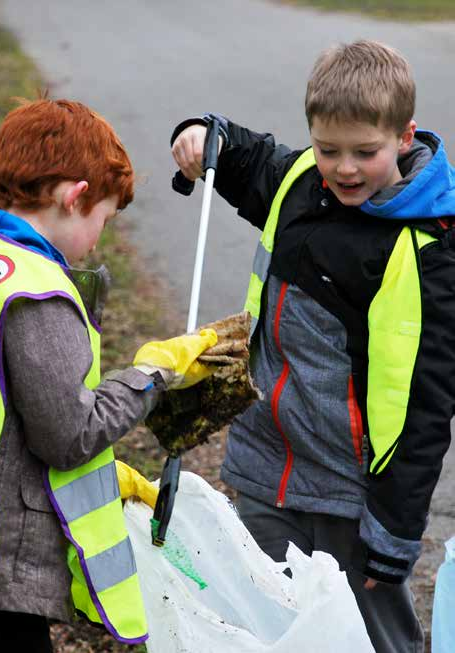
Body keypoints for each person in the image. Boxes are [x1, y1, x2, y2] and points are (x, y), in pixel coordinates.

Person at [171, 39, 455, 653]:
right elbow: (253, 160)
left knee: (372, 634)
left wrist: (396, 527)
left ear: (405, 137)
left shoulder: (426, 250)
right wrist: (202, 134)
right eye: (329, 149)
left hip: (353, 492)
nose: (345, 168)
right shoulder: (303, 179)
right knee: (264, 617)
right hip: (267, 465)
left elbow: (427, 405)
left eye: (365, 152)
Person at [0, 98, 218, 652]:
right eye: (104, 219)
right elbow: (68, 434)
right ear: (75, 197)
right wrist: (152, 372)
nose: (98, 239)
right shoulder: (38, 289)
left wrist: (105, 477)